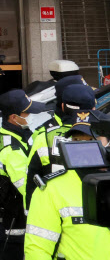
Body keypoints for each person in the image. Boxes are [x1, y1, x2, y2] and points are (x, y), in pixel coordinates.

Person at [24, 110, 110, 260]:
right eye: (76, 141)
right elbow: (37, 250)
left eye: (91, 139)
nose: (83, 147)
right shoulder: (52, 189)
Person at [0, 89, 45, 260]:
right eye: (27, 113)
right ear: (14, 118)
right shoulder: (12, 150)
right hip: (9, 224)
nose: (30, 115)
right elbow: (28, 189)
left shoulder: (2, 134)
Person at [25, 78, 93, 208]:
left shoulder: (43, 136)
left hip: (55, 209)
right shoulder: (102, 135)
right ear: (94, 108)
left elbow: (31, 181)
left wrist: (29, 211)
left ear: (62, 106)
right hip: (97, 214)